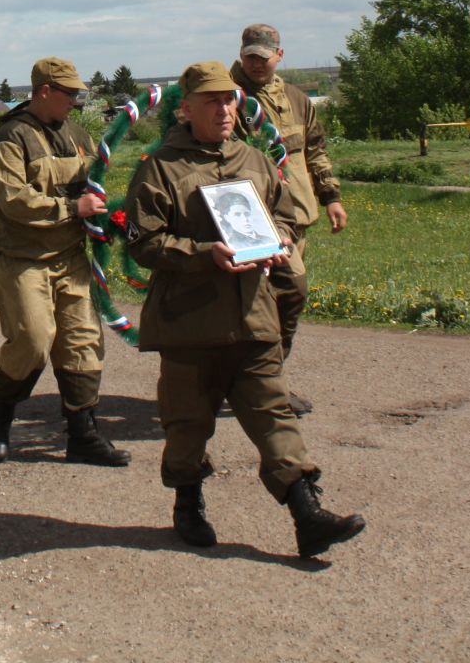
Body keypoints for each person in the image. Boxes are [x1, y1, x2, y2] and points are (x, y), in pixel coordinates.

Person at [125, 61, 365, 558]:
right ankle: (187, 503)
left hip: (254, 315)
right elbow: (144, 243)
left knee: (274, 414)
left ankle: (307, 514)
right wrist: (200, 253)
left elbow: (282, 213)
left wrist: (280, 236)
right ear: (186, 108)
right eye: (212, 101)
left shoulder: (254, 162)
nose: (224, 109)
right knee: (188, 427)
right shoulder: (160, 168)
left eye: (230, 100)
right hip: (192, 324)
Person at [0, 57, 130, 467]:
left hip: (69, 256)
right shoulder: (12, 138)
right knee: (33, 339)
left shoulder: (78, 134)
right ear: (45, 91)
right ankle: (0, 414)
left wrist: (107, 214)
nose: (76, 102)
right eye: (70, 94)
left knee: (82, 340)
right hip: (22, 257)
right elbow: (14, 202)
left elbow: (91, 185)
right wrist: (72, 208)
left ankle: (83, 434)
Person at [232, 23, 347, 415]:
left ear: (279, 56)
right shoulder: (229, 98)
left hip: (296, 214)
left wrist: (330, 196)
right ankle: (259, 386)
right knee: (278, 297)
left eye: (263, 57)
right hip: (251, 219)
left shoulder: (297, 99)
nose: (256, 63)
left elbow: (315, 150)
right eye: (250, 56)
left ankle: (264, 382)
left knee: (282, 302)